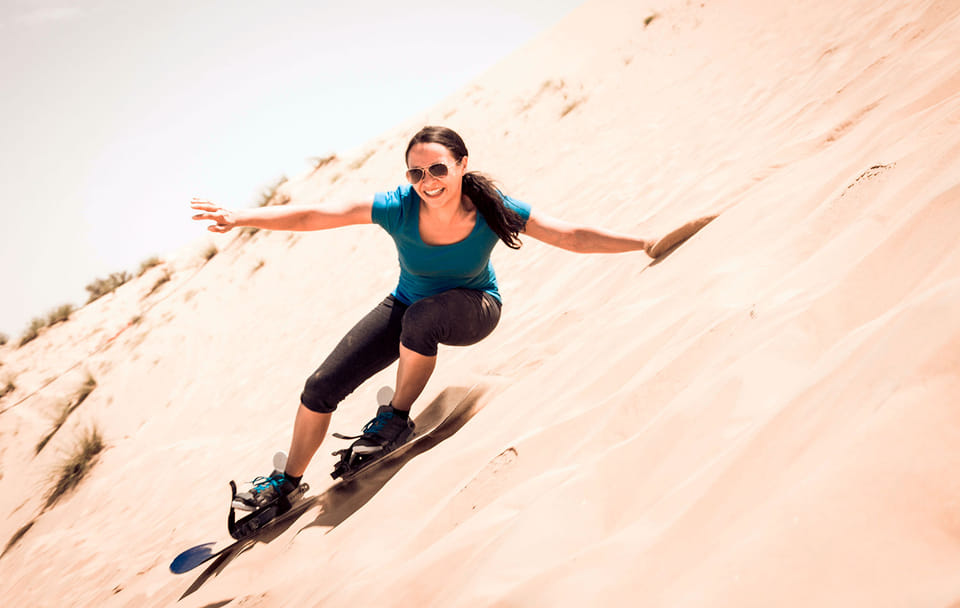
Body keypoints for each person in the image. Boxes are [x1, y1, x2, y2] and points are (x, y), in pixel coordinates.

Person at [191, 125, 664, 511]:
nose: (428, 180)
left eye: (438, 168)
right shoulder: (398, 207)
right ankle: (288, 483)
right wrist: (241, 216)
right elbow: (315, 215)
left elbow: (570, 236)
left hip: (474, 308)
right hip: (406, 305)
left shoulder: (493, 208)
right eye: (416, 172)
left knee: (421, 319)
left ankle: (395, 419)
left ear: (461, 164)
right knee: (319, 387)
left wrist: (644, 242)